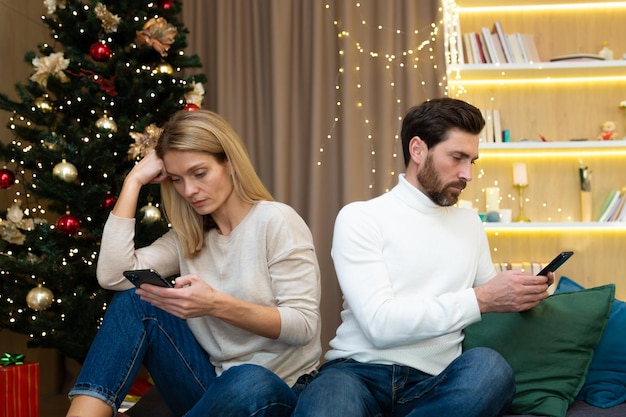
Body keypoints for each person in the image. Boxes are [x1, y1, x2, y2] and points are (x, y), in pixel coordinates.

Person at [292, 97, 554, 417]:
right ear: (418, 150)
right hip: (356, 373)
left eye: (472, 161)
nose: (467, 174)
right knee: (328, 403)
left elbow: (488, 301)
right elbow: (380, 324)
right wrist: (483, 298)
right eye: (457, 158)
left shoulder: (470, 225)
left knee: (490, 368)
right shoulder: (361, 218)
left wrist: (524, 292)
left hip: (436, 380)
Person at [66, 109, 322, 417]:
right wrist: (133, 181)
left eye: (199, 174)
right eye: (177, 179)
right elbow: (112, 276)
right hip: (213, 386)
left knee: (247, 378)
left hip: (280, 390)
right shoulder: (188, 237)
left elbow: (303, 325)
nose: (189, 191)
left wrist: (214, 304)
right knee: (135, 299)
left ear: (229, 162)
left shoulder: (275, 220)